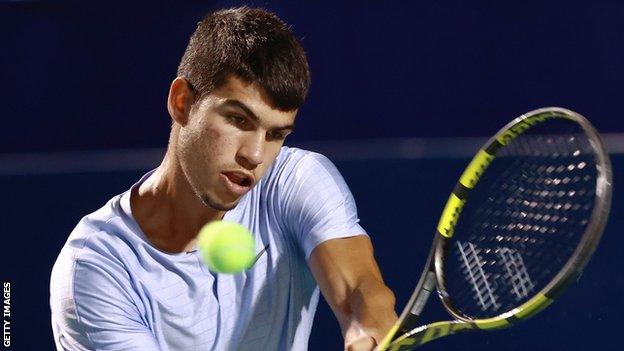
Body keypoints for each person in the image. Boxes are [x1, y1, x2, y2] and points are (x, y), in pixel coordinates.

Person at [50, 7, 397, 351]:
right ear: (182, 102)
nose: (255, 155)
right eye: (239, 120)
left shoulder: (295, 181)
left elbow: (359, 290)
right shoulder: (95, 269)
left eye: (276, 135)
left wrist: (365, 329)